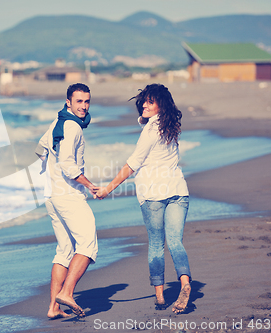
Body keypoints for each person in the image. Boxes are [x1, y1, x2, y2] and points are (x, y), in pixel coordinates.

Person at [96, 83, 191, 314]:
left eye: (151, 101)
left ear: (161, 104)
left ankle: (160, 297)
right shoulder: (171, 125)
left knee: (157, 244)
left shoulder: (149, 130)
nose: (145, 105)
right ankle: (185, 283)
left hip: (153, 194)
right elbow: (151, 127)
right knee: (176, 241)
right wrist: (144, 119)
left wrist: (108, 189)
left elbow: (132, 164)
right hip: (179, 191)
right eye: (144, 102)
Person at [35, 83, 99, 318]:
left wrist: (47, 175)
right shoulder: (72, 126)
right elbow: (67, 164)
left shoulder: (57, 122)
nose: (83, 106)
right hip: (68, 195)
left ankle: (53, 307)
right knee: (88, 244)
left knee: (64, 250)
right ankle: (67, 293)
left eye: (87, 101)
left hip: (51, 194)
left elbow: (41, 150)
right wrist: (88, 184)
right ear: (68, 102)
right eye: (79, 101)